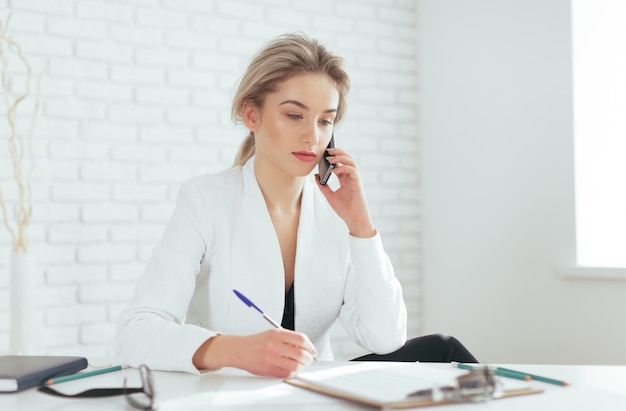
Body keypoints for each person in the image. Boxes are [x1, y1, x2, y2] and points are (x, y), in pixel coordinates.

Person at [114, 33, 477, 378]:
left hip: (313, 395)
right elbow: (136, 332)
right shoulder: (205, 200)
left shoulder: (336, 213)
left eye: (325, 120)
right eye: (294, 115)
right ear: (252, 115)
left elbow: (385, 338)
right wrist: (236, 350)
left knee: (443, 350)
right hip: (231, 395)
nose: (312, 136)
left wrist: (360, 225)